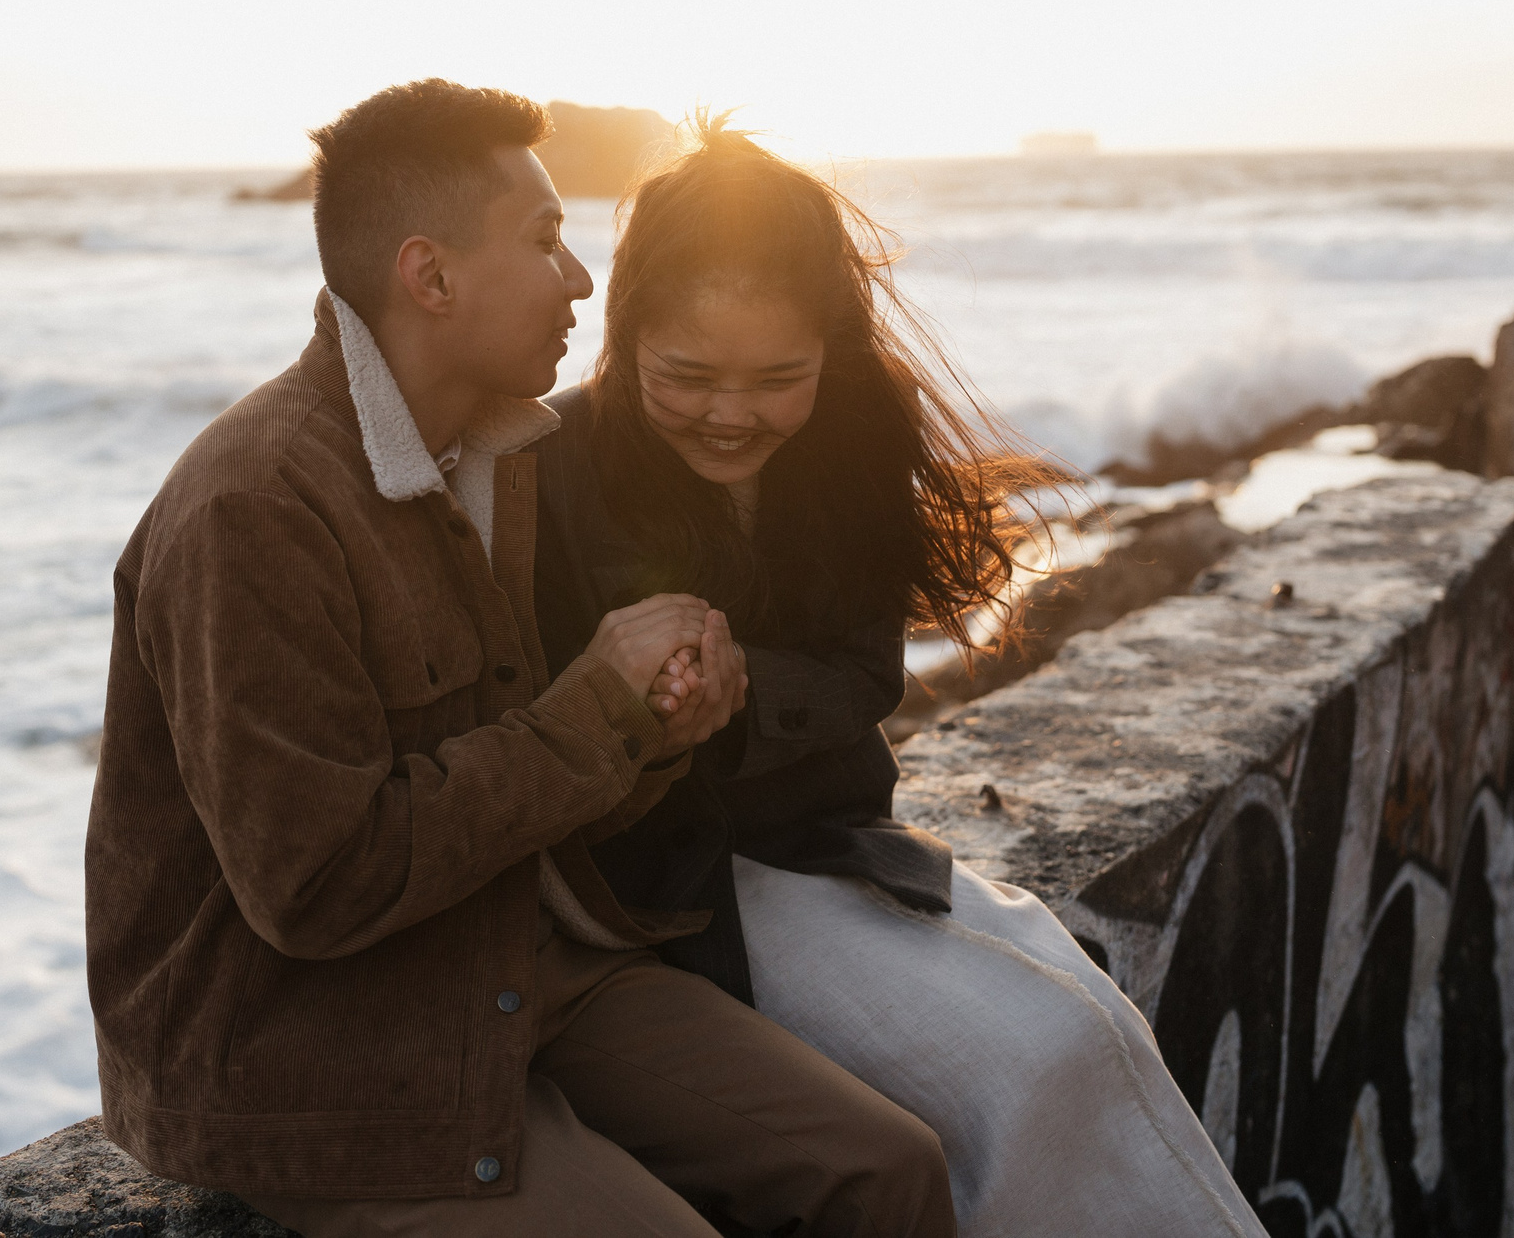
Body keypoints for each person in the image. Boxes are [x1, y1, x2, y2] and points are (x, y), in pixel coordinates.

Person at [83, 80, 958, 1238]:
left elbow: (540, 788)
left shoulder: (497, 457)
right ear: (431, 277)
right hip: (310, 1042)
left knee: (886, 1170)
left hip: (512, 958)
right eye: (546, 241)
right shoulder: (257, 507)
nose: (584, 281)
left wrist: (659, 724)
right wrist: (598, 717)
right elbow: (314, 886)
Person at [533, 118, 1268, 1238]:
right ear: (624, 333)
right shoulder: (548, 467)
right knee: (1021, 1067)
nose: (732, 414)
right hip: (668, 898)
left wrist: (735, 698)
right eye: (686, 376)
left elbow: (865, 673)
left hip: (831, 844)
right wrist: (630, 712)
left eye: (779, 377)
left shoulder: (851, 445)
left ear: (830, 346)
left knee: (1094, 1024)